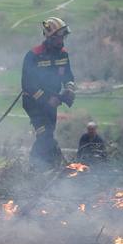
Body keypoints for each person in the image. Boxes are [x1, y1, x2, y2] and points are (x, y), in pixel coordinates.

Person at [21, 17, 75, 168]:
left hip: (52, 102)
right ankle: (36, 167)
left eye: (63, 37)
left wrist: (69, 89)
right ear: (49, 37)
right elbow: (27, 84)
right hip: (34, 102)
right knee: (44, 133)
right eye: (59, 38)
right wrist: (46, 99)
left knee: (47, 134)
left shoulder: (63, 54)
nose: (62, 41)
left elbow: (68, 76)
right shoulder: (33, 55)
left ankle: (44, 166)